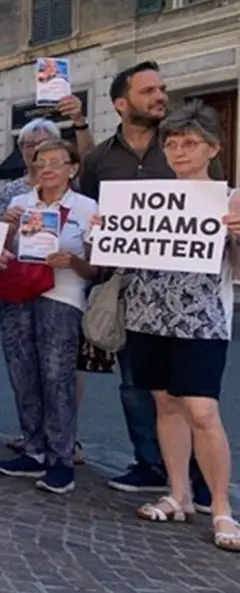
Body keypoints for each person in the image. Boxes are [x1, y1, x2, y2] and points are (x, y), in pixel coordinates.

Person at [80, 61, 217, 506]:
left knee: (194, 398)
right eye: (148, 91)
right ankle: (150, 465)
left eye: (162, 89)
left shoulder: (179, 146)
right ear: (122, 104)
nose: (160, 96)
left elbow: (211, 201)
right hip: (131, 289)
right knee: (138, 384)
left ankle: (200, 481)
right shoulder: (101, 158)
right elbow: (90, 210)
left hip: (192, 294)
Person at [107, 101, 239, 551]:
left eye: (190, 143)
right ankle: (178, 494)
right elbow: (119, 253)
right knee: (165, 406)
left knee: (202, 410)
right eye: (173, 143)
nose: (179, 151)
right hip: (148, 314)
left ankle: (221, 507)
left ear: (213, 148)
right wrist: (106, 229)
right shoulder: (145, 196)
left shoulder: (230, 200)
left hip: (201, 320)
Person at [0, 140, 97, 494]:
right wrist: (4, 231)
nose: (48, 168)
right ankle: (33, 448)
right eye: (41, 162)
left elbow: (95, 268)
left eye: (57, 161)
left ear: (73, 168)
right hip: (17, 295)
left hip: (62, 296)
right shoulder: (19, 203)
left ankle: (61, 459)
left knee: (57, 376)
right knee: (22, 371)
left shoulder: (86, 208)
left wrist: (73, 261)